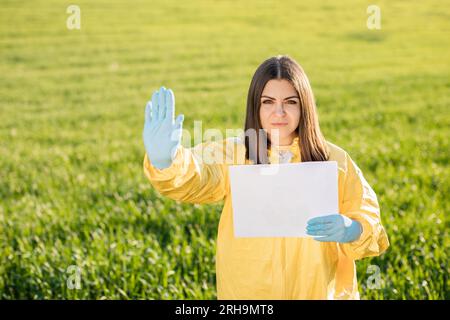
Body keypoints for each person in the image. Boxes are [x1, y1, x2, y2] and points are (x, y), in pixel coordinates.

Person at [142, 55, 390, 299]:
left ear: (305, 106)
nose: (279, 112)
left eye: (290, 102)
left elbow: (368, 215)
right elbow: (199, 175)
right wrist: (167, 160)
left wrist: (353, 229)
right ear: (255, 105)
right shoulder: (235, 153)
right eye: (268, 102)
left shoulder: (334, 160)